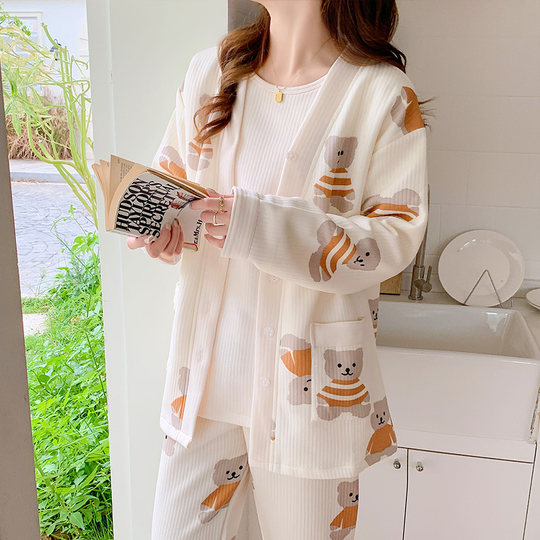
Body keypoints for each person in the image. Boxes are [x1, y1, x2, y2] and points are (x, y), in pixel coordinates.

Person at [129, 1, 431, 538]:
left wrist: (255, 223)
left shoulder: (381, 93)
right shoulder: (210, 71)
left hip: (308, 401)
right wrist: (161, 230)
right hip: (201, 389)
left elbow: (393, 239)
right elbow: (174, 182)